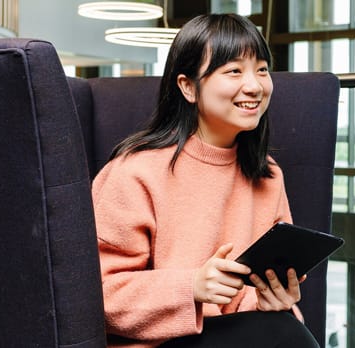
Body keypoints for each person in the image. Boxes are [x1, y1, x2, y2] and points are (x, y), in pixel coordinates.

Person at [92, 13, 320, 348]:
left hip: (245, 338)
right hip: (154, 344)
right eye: (234, 71)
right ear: (187, 86)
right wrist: (191, 287)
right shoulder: (134, 171)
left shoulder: (268, 174)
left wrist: (271, 302)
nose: (255, 86)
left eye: (261, 69)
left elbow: (253, 304)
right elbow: (92, 295)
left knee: (282, 327)